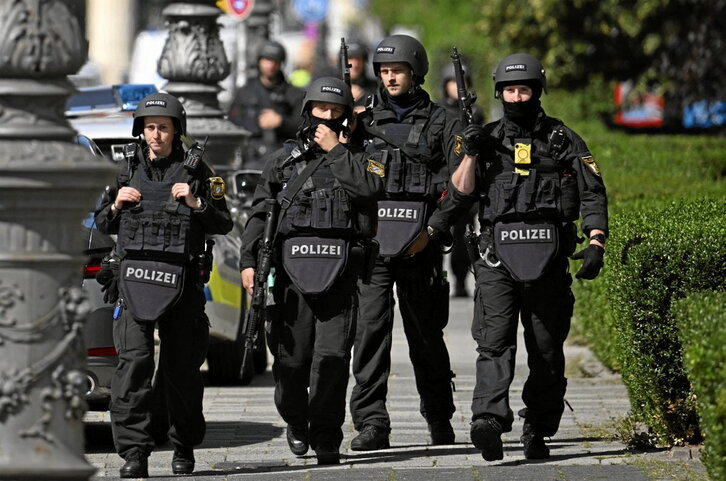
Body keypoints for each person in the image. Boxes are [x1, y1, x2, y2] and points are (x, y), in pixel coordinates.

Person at [428, 53, 608, 460]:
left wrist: (596, 240)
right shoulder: (485, 138)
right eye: (509, 89)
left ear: (536, 91)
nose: (516, 96)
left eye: (523, 89)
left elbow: (592, 192)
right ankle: (487, 421)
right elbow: (459, 193)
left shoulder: (563, 141)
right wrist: (471, 152)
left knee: (546, 348)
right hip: (496, 262)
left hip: (548, 261)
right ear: (499, 92)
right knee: (493, 344)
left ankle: (539, 427)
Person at [239, 76, 384, 465]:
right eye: (322, 110)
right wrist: (249, 262)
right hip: (290, 278)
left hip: (340, 277)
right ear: (308, 112)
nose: (329, 117)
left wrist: (336, 150)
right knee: (290, 362)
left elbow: (370, 188)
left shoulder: (362, 156)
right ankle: (296, 421)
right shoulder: (282, 160)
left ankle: (326, 436)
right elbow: (259, 214)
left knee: (332, 360)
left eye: (337, 112)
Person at [94, 92, 233, 478]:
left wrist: (196, 203)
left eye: (164, 128)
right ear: (141, 130)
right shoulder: (122, 171)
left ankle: (183, 447)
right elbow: (102, 224)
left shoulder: (200, 170)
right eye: (150, 128)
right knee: (133, 368)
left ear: (177, 130)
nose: (156, 135)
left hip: (183, 284)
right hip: (133, 282)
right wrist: (116, 206)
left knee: (181, 370)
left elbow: (224, 223)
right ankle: (134, 454)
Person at [348, 34, 463, 451]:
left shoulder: (442, 121)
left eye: (397, 70)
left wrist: (434, 230)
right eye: (383, 71)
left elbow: (460, 186)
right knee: (370, 334)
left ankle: (439, 414)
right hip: (373, 244)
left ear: (415, 72)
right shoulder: (360, 120)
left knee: (426, 335)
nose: (389, 77)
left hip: (421, 245)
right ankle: (371, 422)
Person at [436, 60, 486, 297]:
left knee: (464, 234)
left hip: (468, 181)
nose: (457, 87)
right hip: (445, 181)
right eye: (453, 83)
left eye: (462, 83)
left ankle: (461, 279)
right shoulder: (439, 113)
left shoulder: (475, 113)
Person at [228, 39, 305, 169]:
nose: (271, 65)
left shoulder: (293, 94)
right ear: (259, 61)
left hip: (283, 159)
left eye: (275, 61)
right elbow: (232, 122)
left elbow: (303, 126)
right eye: (267, 60)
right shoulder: (246, 91)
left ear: (281, 63)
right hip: (251, 158)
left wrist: (281, 122)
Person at [346, 38, 377, 111]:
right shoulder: (332, 86)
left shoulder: (375, 87)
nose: (355, 64)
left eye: (358, 59)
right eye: (350, 58)